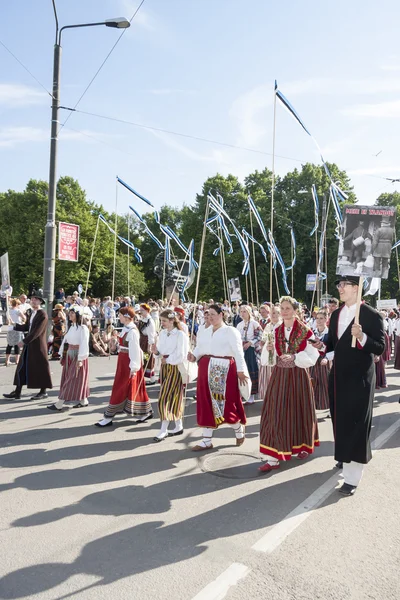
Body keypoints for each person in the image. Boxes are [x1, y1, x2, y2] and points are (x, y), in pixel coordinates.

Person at [320, 275, 385, 496]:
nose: (339, 288)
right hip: (338, 376)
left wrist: (363, 337)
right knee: (339, 419)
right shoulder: (336, 314)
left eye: (343, 285)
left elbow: (380, 348)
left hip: (360, 380)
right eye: (339, 285)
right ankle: (343, 455)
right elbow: (332, 342)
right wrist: (323, 347)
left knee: (356, 424)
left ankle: (352, 478)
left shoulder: (371, 315)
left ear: (356, 288)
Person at [259, 296, 320, 473]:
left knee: (297, 411)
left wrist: (295, 357)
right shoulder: (275, 331)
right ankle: (273, 458)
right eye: (282, 308)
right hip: (279, 375)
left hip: (298, 375)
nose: (284, 311)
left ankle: (301, 444)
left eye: (287, 308)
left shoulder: (305, 331)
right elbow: (267, 360)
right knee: (274, 412)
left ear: (295, 310)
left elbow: (314, 356)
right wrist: (269, 351)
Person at [188, 304, 249, 451]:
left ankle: (238, 428)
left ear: (221, 314)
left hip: (224, 369)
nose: (210, 317)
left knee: (225, 402)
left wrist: (241, 370)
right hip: (205, 369)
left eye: (213, 314)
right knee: (205, 402)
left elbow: (238, 352)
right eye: (208, 315)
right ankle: (206, 439)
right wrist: (194, 356)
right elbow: (200, 348)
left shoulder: (230, 331)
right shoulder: (204, 331)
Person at [95, 307, 151, 427]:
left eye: (120, 315)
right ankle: (145, 411)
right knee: (132, 387)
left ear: (126, 317)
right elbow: (125, 346)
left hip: (129, 362)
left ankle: (109, 415)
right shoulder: (126, 329)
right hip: (123, 360)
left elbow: (135, 350)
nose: (118, 317)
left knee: (122, 387)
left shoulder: (132, 331)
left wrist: (134, 368)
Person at [3, 292, 52, 400]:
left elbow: (36, 331)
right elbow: (27, 327)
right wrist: (14, 326)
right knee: (21, 367)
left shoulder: (42, 314)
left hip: (38, 346)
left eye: (35, 299)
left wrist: (24, 341)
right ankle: (17, 391)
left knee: (41, 368)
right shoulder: (32, 313)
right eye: (32, 299)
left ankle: (43, 391)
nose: (33, 300)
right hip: (29, 345)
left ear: (40, 301)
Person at [150, 309, 188, 442]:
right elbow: (161, 352)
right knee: (174, 396)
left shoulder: (180, 335)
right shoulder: (162, 333)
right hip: (164, 367)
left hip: (175, 367)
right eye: (161, 321)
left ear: (172, 320)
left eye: (164, 321)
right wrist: (156, 352)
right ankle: (178, 425)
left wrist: (169, 359)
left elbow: (182, 354)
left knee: (164, 396)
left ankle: (163, 430)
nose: (162, 323)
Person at [47, 306, 90, 411]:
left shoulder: (83, 328)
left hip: (78, 355)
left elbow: (84, 343)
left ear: (78, 315)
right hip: (70, 354)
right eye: (69, 313)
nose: (70, 315)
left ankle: (60, 403)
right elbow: (66, 340)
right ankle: (83, 400)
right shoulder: (72, 326)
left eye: (72, 313)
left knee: (71, 378)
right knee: (73, 378)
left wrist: (80, 359)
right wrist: (62, 353)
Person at [236, 305, 262, 404]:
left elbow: (260, 336)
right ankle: (244, 393)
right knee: (242, 370)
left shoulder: (254, 324)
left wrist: (250, 343)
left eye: (244, 312)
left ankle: (251, 395)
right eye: (241, 312)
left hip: (251, 350)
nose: (242, 314)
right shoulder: (239, 325)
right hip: (242, 350)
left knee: (251, 370)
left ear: (249, 312)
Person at [258, 305, 282, 400]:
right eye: (271, 313)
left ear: (280, 314)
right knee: (267, 375)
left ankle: (277, 397)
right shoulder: (268, 325)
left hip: (277, 353)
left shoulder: (281, 325)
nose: (273, 315)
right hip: (267, 353)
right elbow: (264, 337)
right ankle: (268, 397)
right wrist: (263, 342)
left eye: (275, 313)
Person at [310, 310, 330, 410]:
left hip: (325, 361)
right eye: (317, 318)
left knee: (325, 384)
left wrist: (326, 357)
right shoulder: (312, 333)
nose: (319, 320)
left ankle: (330, 407)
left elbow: (333, 349)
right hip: (313, 360)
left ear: (326, 319)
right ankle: (313, 407)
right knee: (313, 383)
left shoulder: (330, 333)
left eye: (321, 318)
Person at [138, 304, 157, 384]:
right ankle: (141, 377)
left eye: (142, 310)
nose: (140, 312)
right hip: (142, 340)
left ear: (146, 311)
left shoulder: (150, 321)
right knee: (142, 359)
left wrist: (150, 345)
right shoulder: (143, 319)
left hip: (146, 342)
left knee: (148, 359)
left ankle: (152, 379)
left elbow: (151, 334)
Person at [5, 299, 26, 366]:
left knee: (10, 344)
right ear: (17, 304)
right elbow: (24, 318)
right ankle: (17, 360)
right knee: (17, 344)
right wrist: (23, 321)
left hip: (10, 329)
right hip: (17, 328)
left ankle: (7, 360)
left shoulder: (8, 311)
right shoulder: (17, 311)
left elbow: (7, 321)